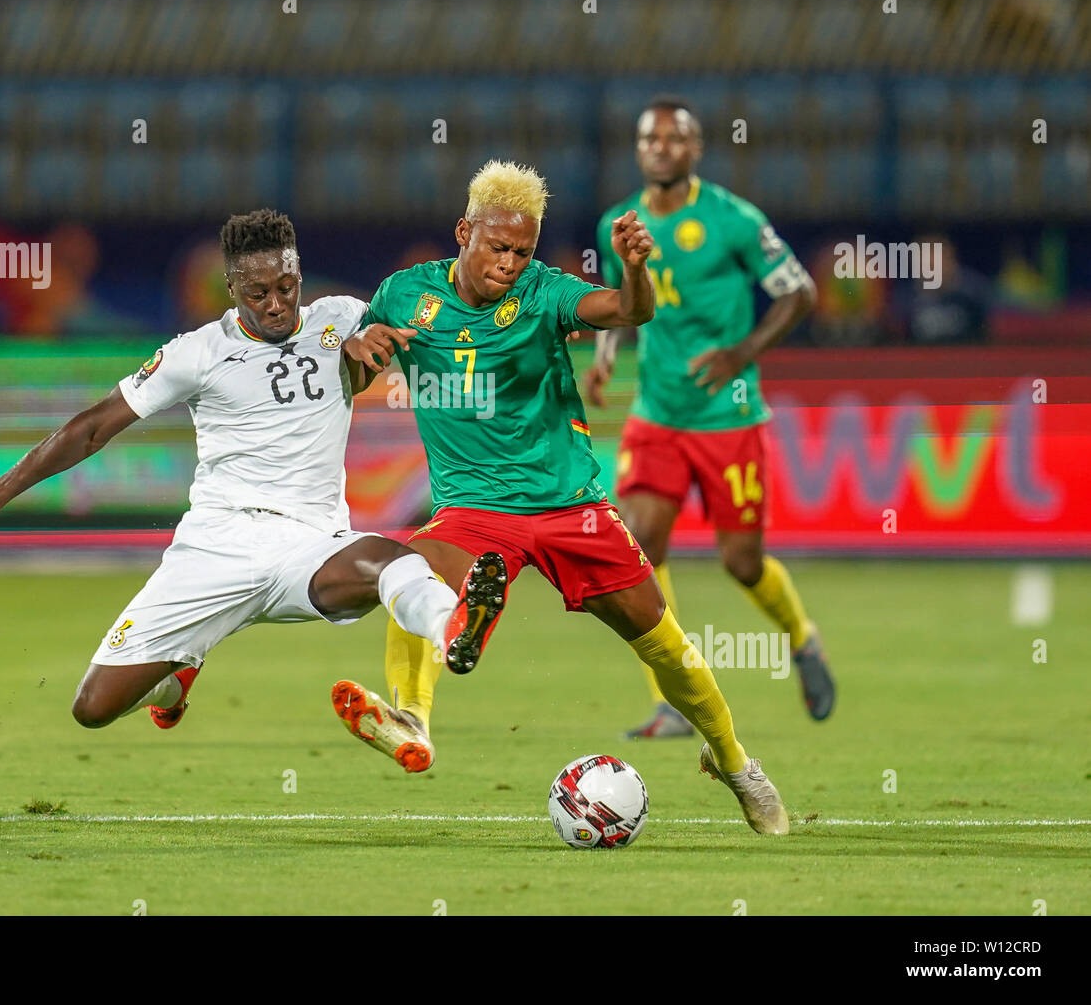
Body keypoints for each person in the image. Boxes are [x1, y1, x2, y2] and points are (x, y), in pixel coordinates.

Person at [0, 208, 494, 766]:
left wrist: (364, 346)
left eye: (287, 287)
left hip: (312, 548)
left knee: (390, 560)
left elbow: (427, 325)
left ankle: (456, 625)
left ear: (300, 275)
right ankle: (174, 687)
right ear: (232, 286)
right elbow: (91, 429)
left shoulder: (340, 316)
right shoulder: (196, 353)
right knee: (92, 709)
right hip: (214, 548)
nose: (275, 305)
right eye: (258, 292)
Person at [334, 159, 789, 835]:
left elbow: (628, 310)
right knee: (411, 573)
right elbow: (346, 365)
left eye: (522, 251)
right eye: (498, 248)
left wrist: (635, 269)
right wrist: (353, 343)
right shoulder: (403, 295)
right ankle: (411, 719)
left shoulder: (546, 293)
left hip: (570, 507)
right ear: (464, 232)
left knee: (664, 645)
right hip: (474, 511)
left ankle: (734, 761)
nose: (511, 263)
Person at [584, 96, 835, 739]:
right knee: (639, 549)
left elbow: (800, 292)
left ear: (696, 150)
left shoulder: (733, 220)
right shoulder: (619, 222)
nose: (661, 147)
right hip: (658, 412)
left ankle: (803, 638)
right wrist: (607, 357)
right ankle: (673, 699)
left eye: (676, 138)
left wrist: (741, 353)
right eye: (650, 138)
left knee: (742, 563)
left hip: (729, 417)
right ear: (638, 149)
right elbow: (621, 304)